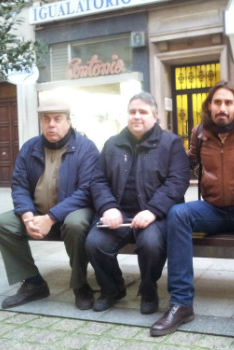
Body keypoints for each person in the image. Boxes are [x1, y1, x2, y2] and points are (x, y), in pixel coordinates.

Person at [150, 80, 234, 348]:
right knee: (178, 214)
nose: (222, 108)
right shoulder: (199, 132)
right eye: (217, 102)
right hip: (213, 209)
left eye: (228, 103)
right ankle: (181, 304)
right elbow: (186, 163)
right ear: (209, 106)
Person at [85, 92, 190, 314]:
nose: (137, 116)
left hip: (156, 216)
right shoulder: (112, 143)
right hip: (119, 214)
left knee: (151, 244)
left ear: (155, 116)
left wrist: (153, 210)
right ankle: (112, 288)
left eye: (143, 112)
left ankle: (149, 290)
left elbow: (178, 181)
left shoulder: (171, 143)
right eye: (132, 112)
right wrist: (107, 207)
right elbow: (98, 179)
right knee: (94, 243)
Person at [0, 97, 100, 311]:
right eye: (46, 119)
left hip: (73, 212)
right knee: (1, 224)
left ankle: (80, 285)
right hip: (37, 212)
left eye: (57, 119)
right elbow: (20, 184)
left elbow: (87, 191)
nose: (51, 124)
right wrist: (27, 215)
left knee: (76, 225)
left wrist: (51, 218)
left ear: (68, 121)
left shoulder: (85, 148)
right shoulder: (30, 147)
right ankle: (33, 282)